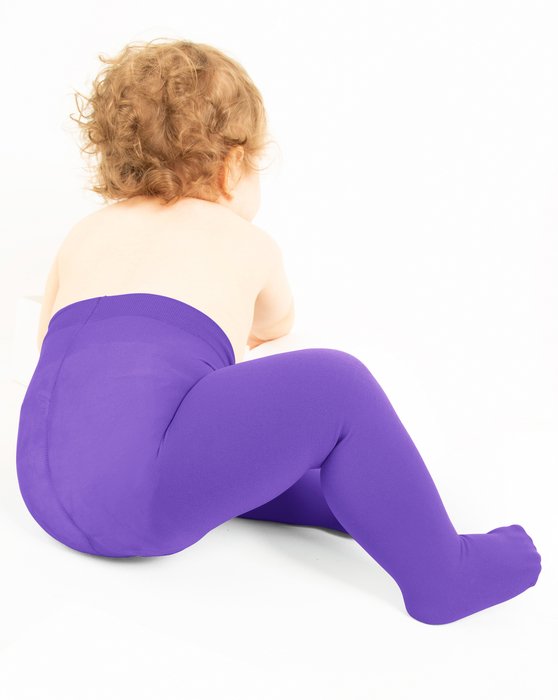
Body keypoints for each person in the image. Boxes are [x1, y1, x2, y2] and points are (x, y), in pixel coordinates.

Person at [16, 38, 541, 625]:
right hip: (141, 499)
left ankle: (346, 499)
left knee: (182, 414)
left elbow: (49, 348)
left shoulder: (85, 234)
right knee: (335, 385)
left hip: (44, 485)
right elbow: (275, 325)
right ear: (232, 167)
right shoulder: (246, 241)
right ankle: (444, 574)